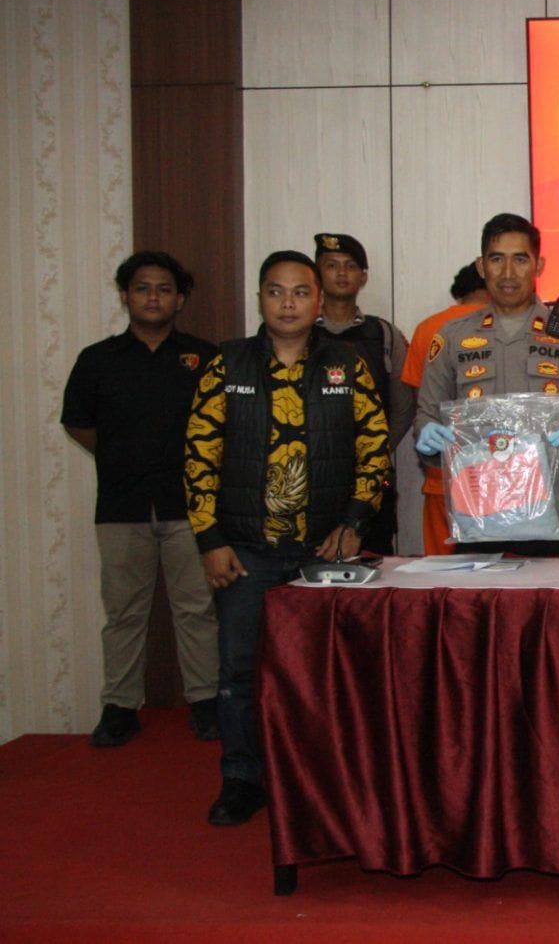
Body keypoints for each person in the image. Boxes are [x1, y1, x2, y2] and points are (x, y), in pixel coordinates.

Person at [185, 250, 391, 825]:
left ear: (319, 301)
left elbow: (375, 451)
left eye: (301, 292)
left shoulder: (347, 364)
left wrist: (354, 524)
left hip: (323, 553)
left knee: (327, 675)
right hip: (244, 553)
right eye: (275, 291)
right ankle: (242, 779)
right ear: (260, 299)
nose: (288, 303)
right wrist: (209, 539)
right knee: (239, 673)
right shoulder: (226, 364)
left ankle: (326, 784)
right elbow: (199, 455)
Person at [61, 251, 220, 747]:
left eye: (164, 289)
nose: (153, 297)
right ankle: (120, 706)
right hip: (121, 507)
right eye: (143, 288)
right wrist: (121, 456)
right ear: (125, 295)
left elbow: (224, 427)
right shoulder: (97, 360)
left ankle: (206, 702)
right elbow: (77, 423)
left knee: (196, 609)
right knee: (125, 613)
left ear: (180, 299)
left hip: (190, 507)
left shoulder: (204, 357)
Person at [414, 214, 559, 555]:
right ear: (481, 266)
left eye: (520, 259)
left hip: (556, 507)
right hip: (477, 506)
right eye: (497, 259)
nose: (508, 273)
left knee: (555, 592)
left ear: (539, 265)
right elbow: (427, 413)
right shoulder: (451, 337)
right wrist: (428, 438)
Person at [314, 232, 414, 554]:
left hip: (372, 479)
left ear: (363, 277)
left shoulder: (384, 334)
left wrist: (375, 453)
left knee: (375, 564)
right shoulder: (299, 331)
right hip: (311, 478)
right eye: (331, 265)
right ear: (317, 273)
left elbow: (403, 407)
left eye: (350, 266)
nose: (342, 273)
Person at [401, 263, 489, 555]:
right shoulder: (507, 326)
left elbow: (420, 403)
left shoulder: (429, 328)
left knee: (442, 570)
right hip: (497, 476)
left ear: (460, 291)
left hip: (442, 473)